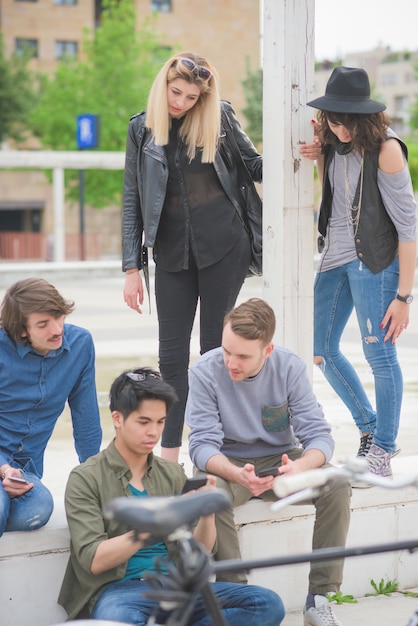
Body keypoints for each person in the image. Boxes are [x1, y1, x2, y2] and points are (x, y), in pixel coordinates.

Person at [58, 367, 285, 626]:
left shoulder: (172, 473)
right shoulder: (86, 477)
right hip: (120, 592)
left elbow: (200, 552)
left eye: (160, 422)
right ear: (117, 419)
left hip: (179, 586)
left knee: (266, 603)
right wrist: (151, 528)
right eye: (143, 422)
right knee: (118, 619)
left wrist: (205, 513)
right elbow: (94, 560)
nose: (153, 432)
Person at [122, 51, 262, 462]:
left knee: (214, 353)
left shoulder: (220, 117)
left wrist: (299, 155)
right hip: (171, 252)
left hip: (224, 245)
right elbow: (132, 198)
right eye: (175, 92)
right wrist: (132, 267)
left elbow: (253, 165)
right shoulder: (141, 128)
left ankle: (213, 449)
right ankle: (168, 459)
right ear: (164, 84)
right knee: (170, 356)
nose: (180, 102)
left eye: (191, 96)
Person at [186, 298, 351, 626]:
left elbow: (319, 437)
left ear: (268, 350)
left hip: (282, 461)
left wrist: (300, 467)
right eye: (226, 351)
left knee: (338, 483)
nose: (231, 362)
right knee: (210, 491)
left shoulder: (289, 367)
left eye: (243, 356)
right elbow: (201, 446)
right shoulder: (204, 370)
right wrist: (237, 474)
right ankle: (237, 597)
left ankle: (319, 599)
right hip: (228, 463)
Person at [300, 66, 417, 479]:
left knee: (379, 355)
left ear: (365, 118)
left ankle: (383, 450)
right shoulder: (333, 144)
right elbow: (334, 198)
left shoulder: (386, 150)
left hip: (375, 263)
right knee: (318, 349)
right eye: (334, 121)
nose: (341, 129)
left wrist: (404, 298)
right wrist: (320, 149)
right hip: (334, 259)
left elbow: (408, 227)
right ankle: (369, 427)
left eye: (348, 122)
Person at [0, 278, 102, 537]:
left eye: (58, 317)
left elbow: (86, 420)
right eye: (43, 324)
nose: (57, 330)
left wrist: (96, 482)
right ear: (23, 331)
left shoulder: (80, 344)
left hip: (25, 472)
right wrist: (3, 468)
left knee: (38, 509)